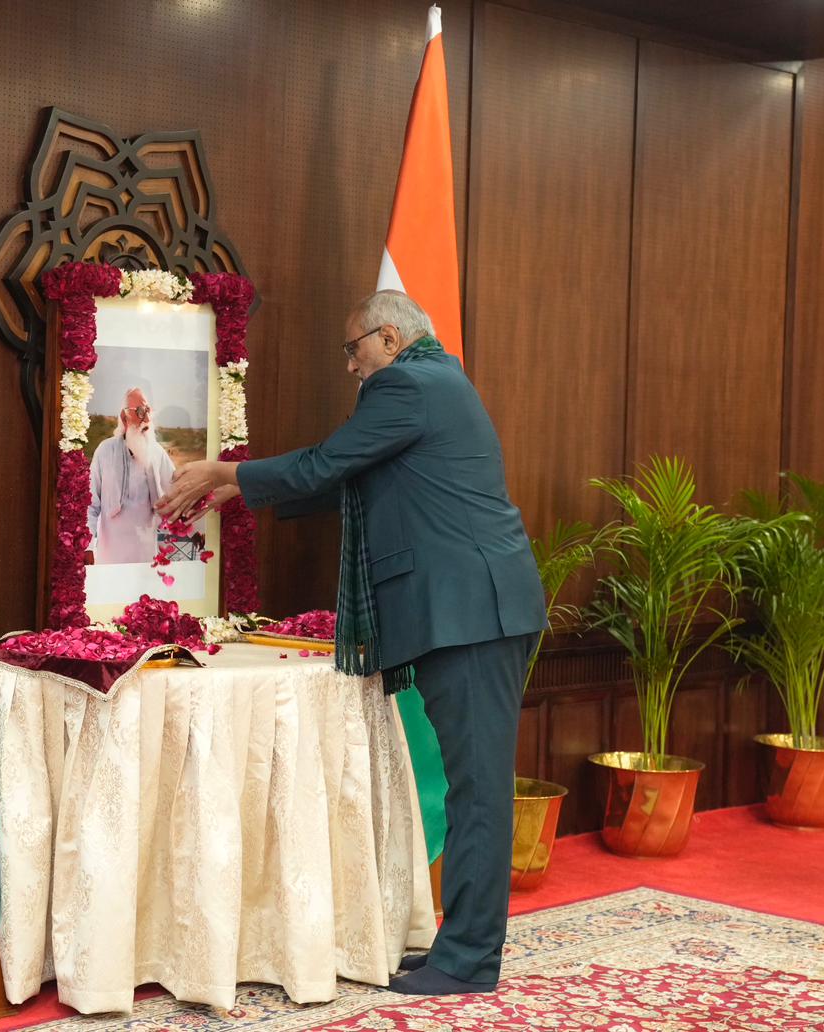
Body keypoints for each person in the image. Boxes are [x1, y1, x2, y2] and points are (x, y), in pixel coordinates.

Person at [157, 289, 547, 996]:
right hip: (471, 608)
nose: (349, 366)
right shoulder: (435, 381)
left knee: (479, 792)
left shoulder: (406, 384)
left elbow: (329, 462)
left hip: (471, 613)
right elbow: (352, 480)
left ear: (389, 339)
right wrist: (242, 491)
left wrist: (231, 475)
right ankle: (459, 948)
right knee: (472, 789)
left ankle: (468, 961)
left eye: (353, 349)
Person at [88, 387, 176, 564]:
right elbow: (90, 503)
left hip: (145, 556)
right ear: (124, 417)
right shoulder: (105, 451)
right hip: (110, 554)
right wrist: (88, 546)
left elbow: (176, 493)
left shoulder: (157, 454)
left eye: (148, 410)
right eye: (140, 411)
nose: (146, 418)